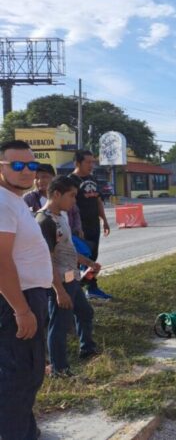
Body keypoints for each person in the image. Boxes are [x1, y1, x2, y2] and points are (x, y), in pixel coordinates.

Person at [0, 140, 52, 439]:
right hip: (16, 300)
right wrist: (22, 309)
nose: (26, 172)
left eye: (31, 165)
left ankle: (25, 431)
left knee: (27, 374)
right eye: (16, 165)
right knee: (18, 376)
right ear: (1, 167)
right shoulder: (3, 202)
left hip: (27, 295)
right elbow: (1, 260)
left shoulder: (13, 200)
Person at [36, 176, 100, 377]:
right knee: (59, 326)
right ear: (56, 194)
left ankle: (87, 348)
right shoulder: (44, 221)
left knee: (85, 312)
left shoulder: (60, 216)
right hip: (60, 283)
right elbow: (48, 260)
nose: (74, 201)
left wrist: (87, 262)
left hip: (72, 279)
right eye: (71, 196)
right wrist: (59, 291)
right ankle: (59, 369)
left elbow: (67, 249)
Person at [69, 150, 112, 300]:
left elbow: (98, 201)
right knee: (78, 259)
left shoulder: (92, 179)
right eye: (88, 162)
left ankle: (92, 287)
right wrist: (76, 227)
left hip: (94, 225)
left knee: (93, 257)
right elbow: (69, 206)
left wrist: (104, 221)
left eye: (92, 162)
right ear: (77, 163)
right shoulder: (70, 181)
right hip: (79, 228)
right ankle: (76, 290)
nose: (91, 165)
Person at [23, 164, 83, 236]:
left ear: (54, 178)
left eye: (44, 177)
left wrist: (77, 229)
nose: (39, 181)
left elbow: (75, 213)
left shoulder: (63, 193)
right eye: (36, 178)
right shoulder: (29, 199)